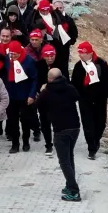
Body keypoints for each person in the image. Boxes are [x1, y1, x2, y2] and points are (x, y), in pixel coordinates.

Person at [34, 68, 81, 200]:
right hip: (75, 127)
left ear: (49, 79)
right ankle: (69, 184)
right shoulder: (70, 87)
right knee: (70, 157)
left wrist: (42, 91)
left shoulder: (47, 92)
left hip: (60, 130)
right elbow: (77, 96)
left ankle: (74, 191)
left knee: (64, 161)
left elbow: (38, 107)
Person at [71, 41, 108, 159]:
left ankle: (96, 139)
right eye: (79, 53)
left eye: (83, 53)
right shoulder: (78, 66)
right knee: (88, 124)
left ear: (90, 53)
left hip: (100, 99)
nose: (81, 55)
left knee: (101, 123)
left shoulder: (102, 64)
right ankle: (92, 148)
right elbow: (74, 84)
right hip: (85, 100)